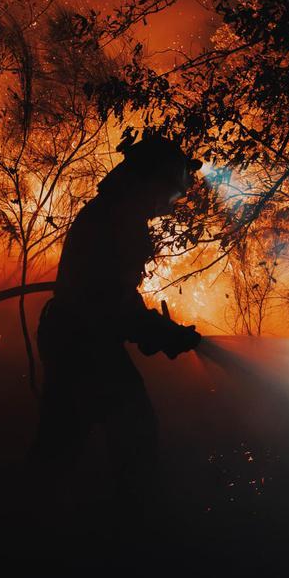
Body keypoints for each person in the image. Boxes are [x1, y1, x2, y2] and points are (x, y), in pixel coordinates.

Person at [28, 133, 202, 514]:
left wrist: (153, 330)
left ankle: (32, 520)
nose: (169, 204)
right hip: (84, 346)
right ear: (151, 182)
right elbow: (107, 301)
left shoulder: (111, 211)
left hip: (72, 338)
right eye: (170, 192)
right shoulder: (120, 220)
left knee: (59, 447)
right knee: (134, 434)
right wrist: (158, 333)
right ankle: (130, 528)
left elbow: (113, 295)